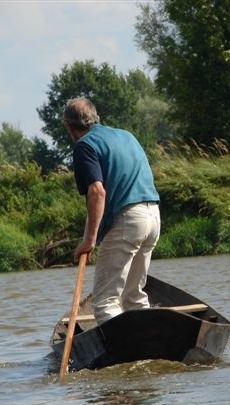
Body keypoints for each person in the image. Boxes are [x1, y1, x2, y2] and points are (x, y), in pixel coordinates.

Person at [64, 97, 161, 324]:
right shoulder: (126, 136)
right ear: (96, 117)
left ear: (69, 127)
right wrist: (91, 236)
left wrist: (89, 241)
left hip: (128, 221)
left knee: (105, 302)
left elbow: (97, 193)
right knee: (134, 298)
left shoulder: (84, 145)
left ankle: (127, 353)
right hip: (153, 216)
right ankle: (149, 346)